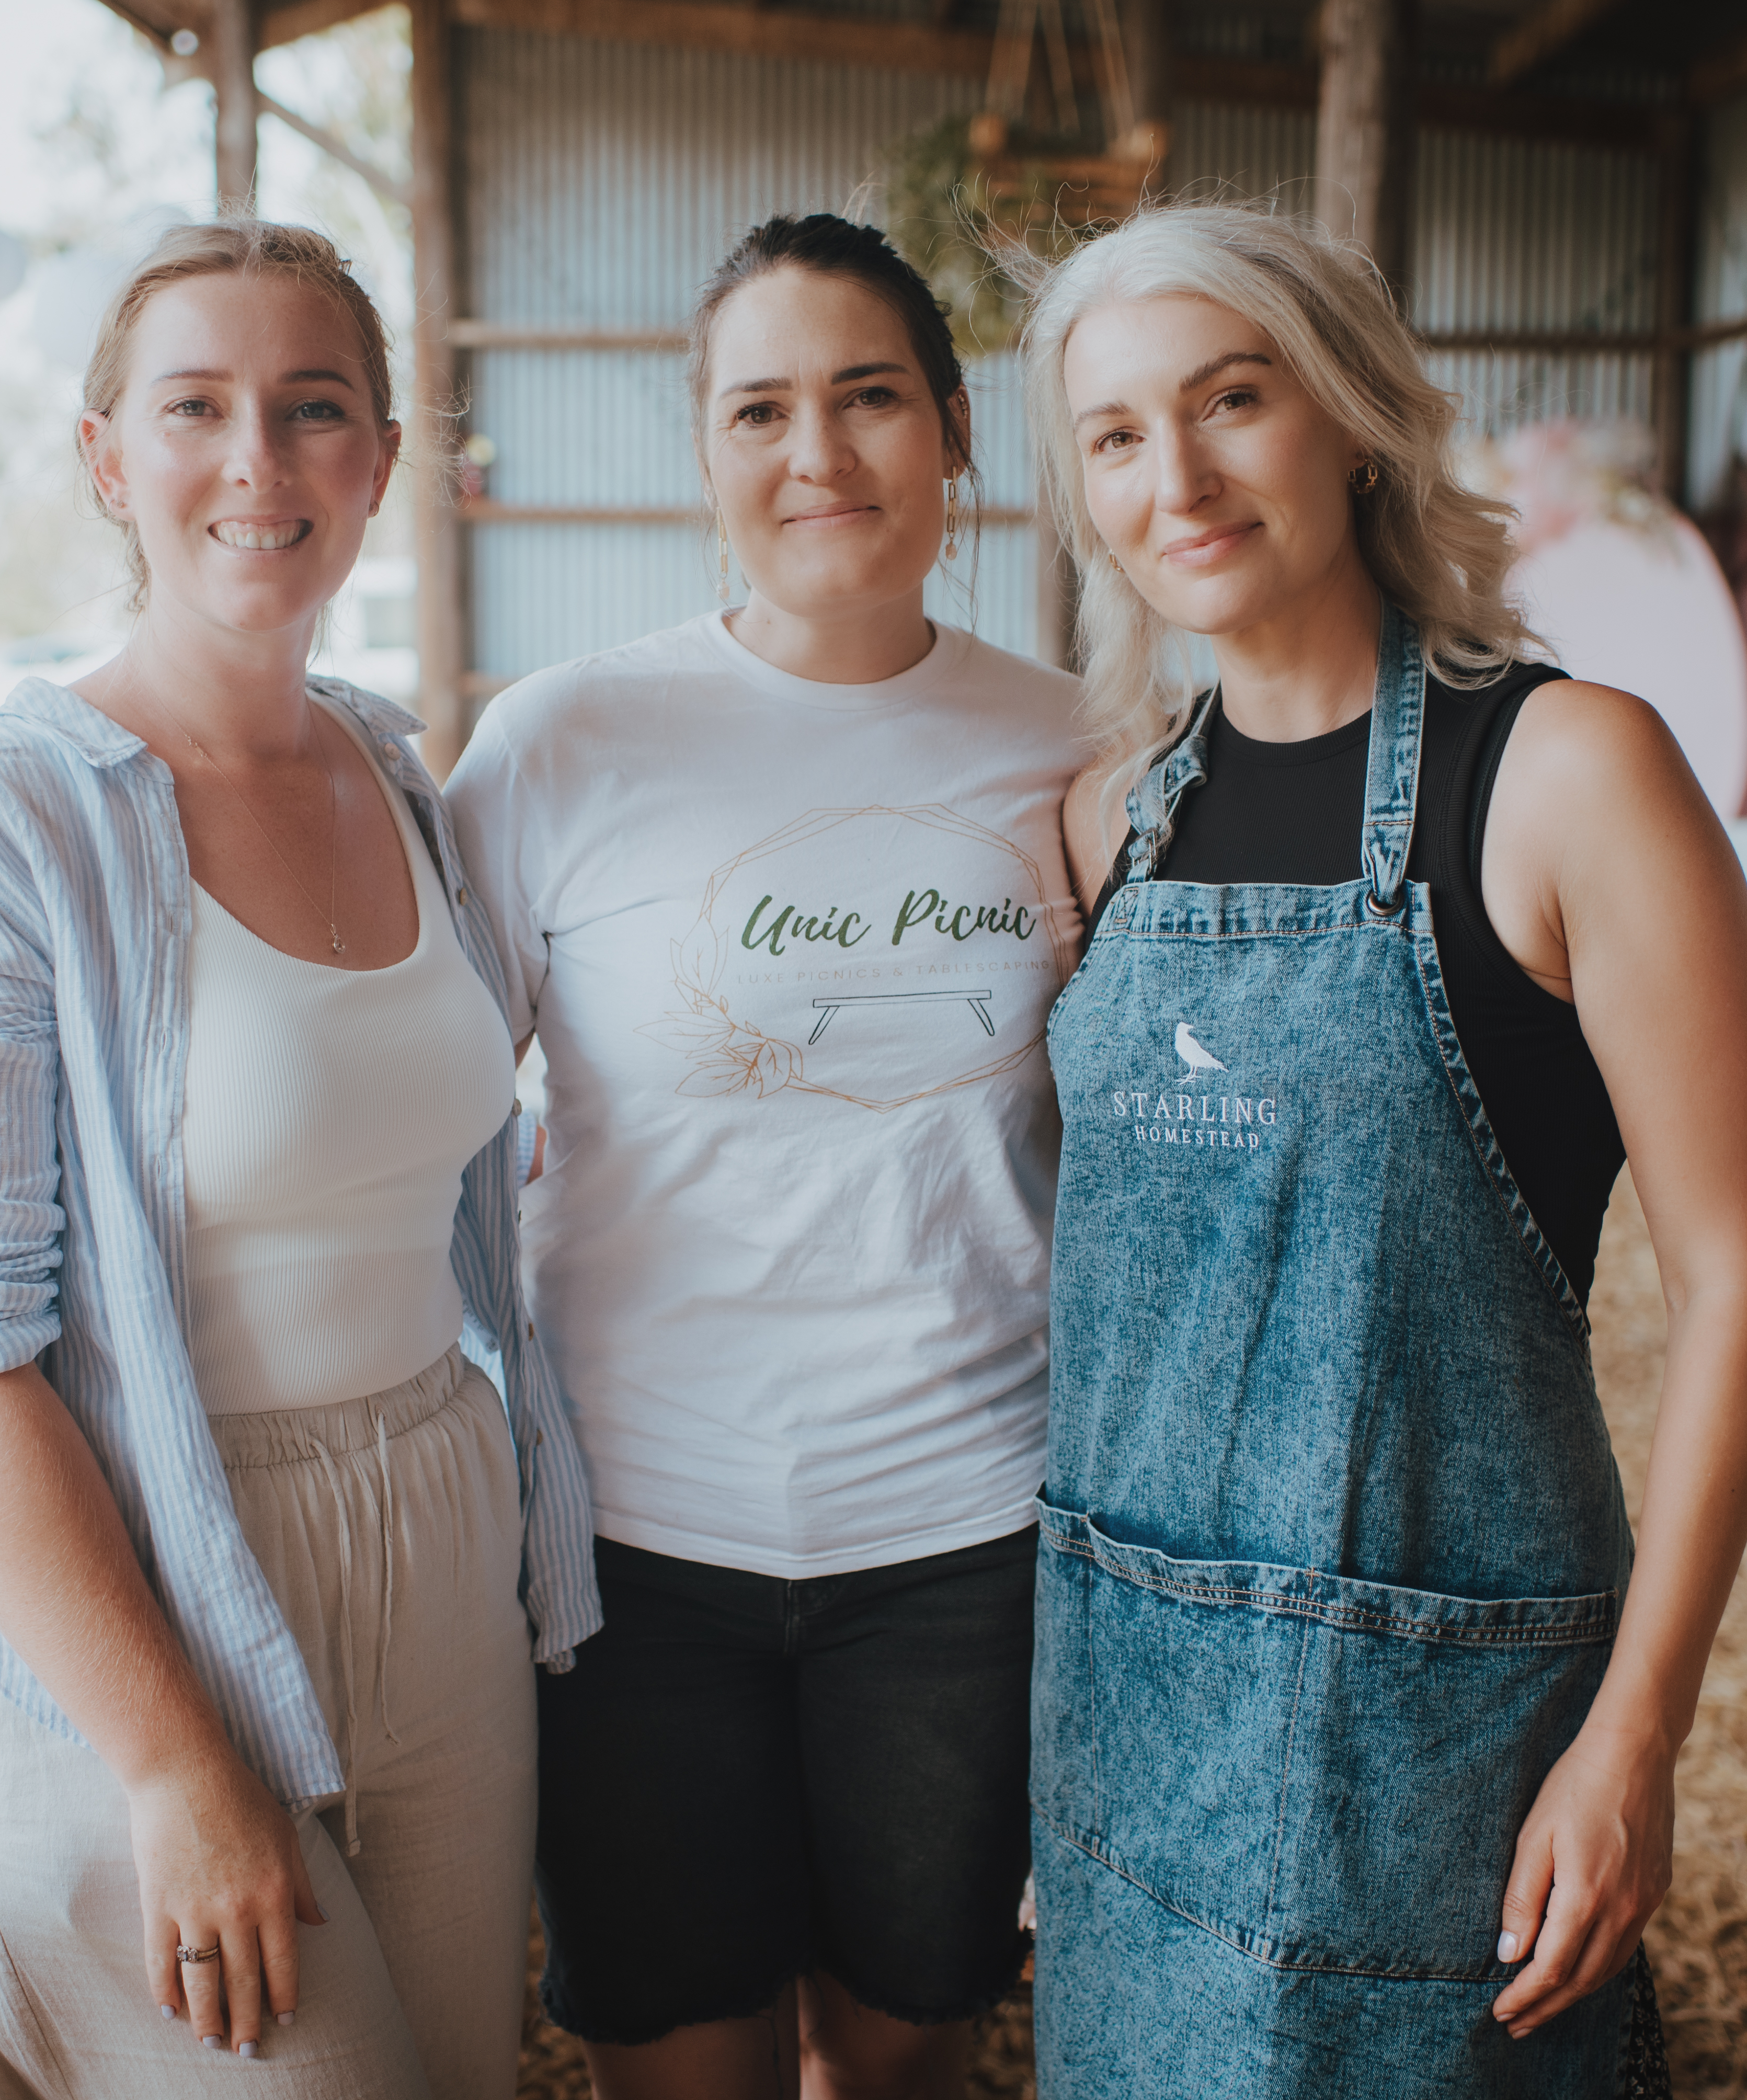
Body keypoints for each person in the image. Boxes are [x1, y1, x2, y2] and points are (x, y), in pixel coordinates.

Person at [0, 219, 597, 2099]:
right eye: (196, 409)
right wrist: (171, 1763)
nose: (259, 463)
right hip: (144, 1569)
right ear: (104, 460)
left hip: (441, 1526)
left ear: (382, 460)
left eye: (315, 411)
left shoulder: (408, 786)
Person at [1017, 203, 1747, 2096]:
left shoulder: (1569, 773)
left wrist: (1637, 1740)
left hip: (1440, 1726)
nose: (1177, 478)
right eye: (1117, 435)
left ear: (1353, 414)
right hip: (1128, 1704)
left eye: (1232, 399)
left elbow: (1742, 1279)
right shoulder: (1109, 816)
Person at [444, 214, 1083, 2100]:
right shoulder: (562, 744)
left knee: (903, 2048)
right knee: (685, 2064)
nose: (819, 455)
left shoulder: (1078, 748)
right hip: (637, 1545)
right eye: (761, 410)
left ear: (959, 430)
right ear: (708, 453)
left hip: (966, 1528)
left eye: (870, 396)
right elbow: (417, 1100)